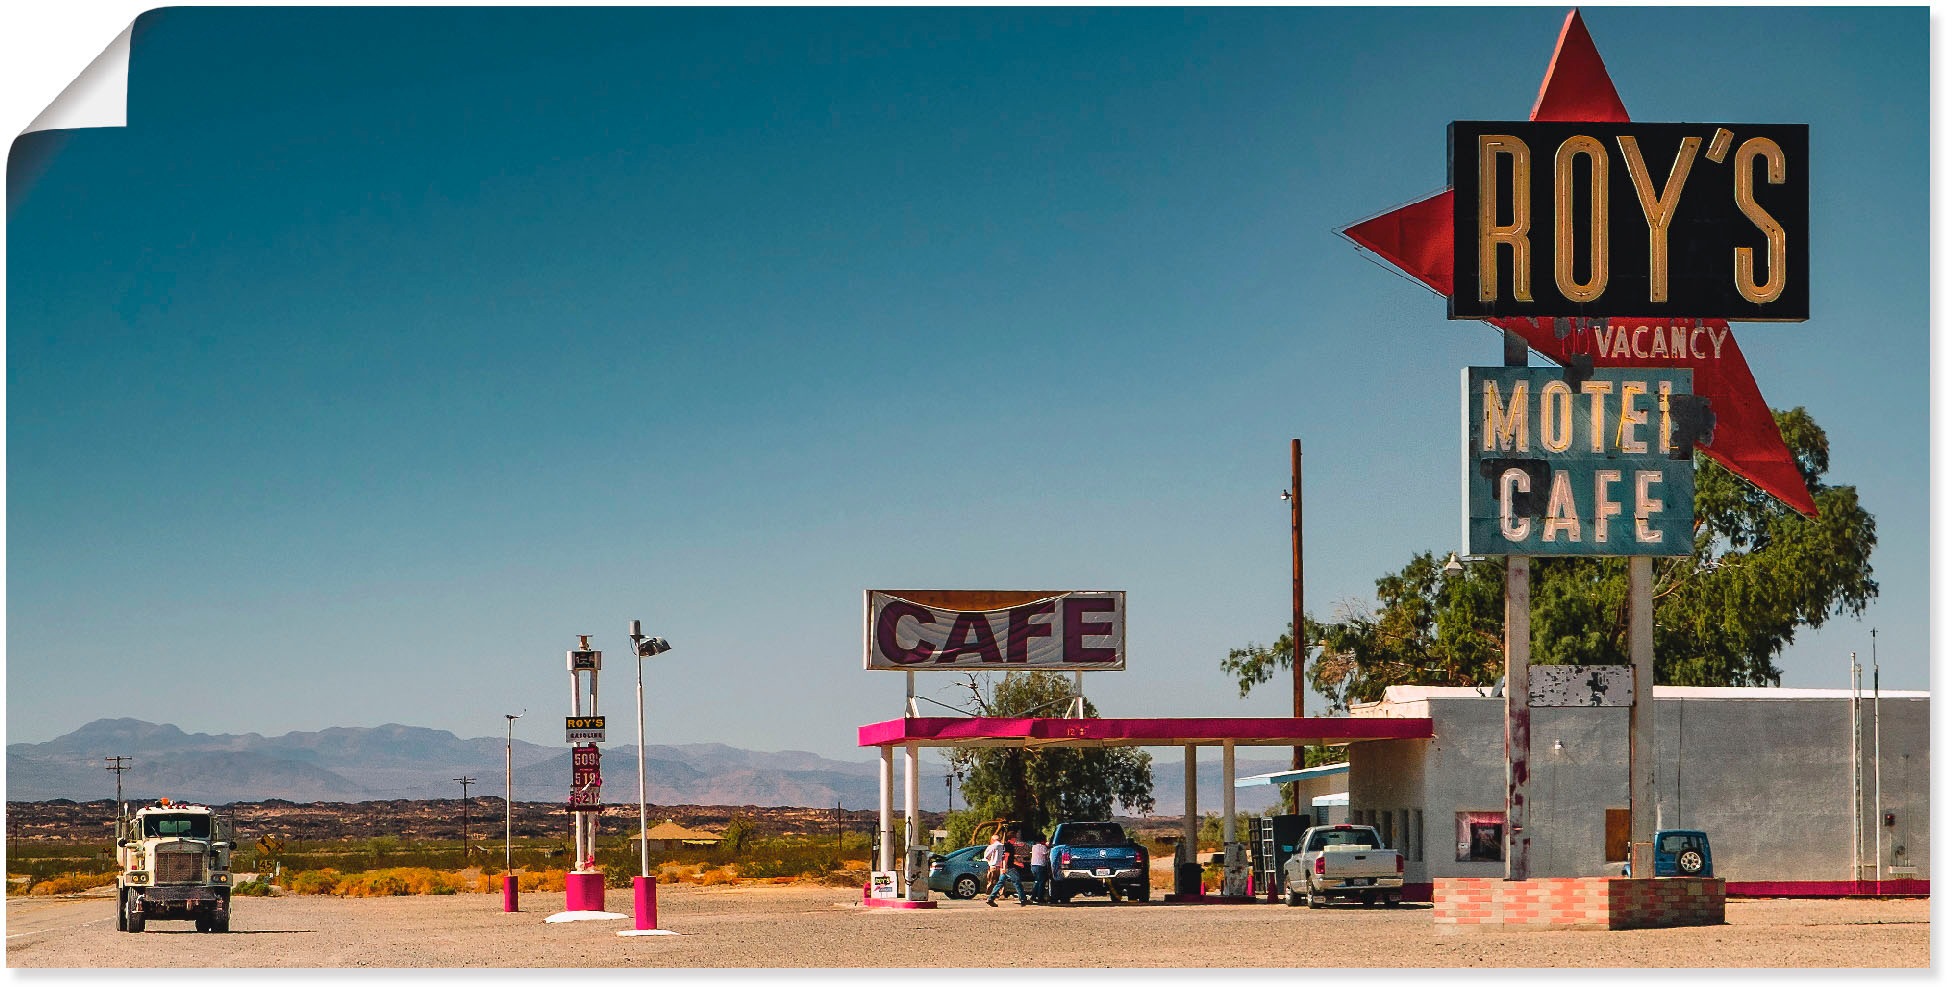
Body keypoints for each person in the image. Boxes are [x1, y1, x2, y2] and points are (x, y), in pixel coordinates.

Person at [987, 829, 1028, 906]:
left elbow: (1007, 858)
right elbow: (1006, 857)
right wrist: (1005, 867)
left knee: (1000, 883)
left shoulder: (1005, 846)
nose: (1016, 839)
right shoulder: (1009, 846)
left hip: (1005, 868)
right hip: (1009, 868)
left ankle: (991, 898)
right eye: (1015, 838)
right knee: (1017, 882)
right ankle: (1023, 899)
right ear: (1012, 838)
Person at [981, 831, 1008, 898]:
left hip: (993, 866)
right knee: (1000, 882)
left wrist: (990, 860)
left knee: (991, 881)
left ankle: (990, 894)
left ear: (992, 840)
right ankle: (1001, 894)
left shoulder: (991, 846)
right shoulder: (1003, 846)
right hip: (1001, 867)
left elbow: (986, 856)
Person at [1029, 834, 1051, 904]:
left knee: (1037, 881)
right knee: (1041, 882)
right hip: (1040, 866)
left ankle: (1033, 896)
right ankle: (1040, 897)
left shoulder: (1034, 847)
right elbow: (1047, 853)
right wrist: (1048, 846)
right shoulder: (1043, 847)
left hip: (1033, 866)